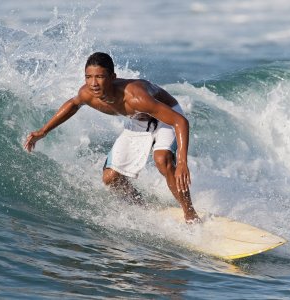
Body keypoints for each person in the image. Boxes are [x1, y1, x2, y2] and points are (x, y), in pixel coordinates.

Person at [24, 52, 200, 223]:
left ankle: (190, 214)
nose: (93, 83)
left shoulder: (135, 97)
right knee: (111, 178)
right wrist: (43, 131)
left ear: (113, 77)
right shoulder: (87, 94)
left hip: (167, 115)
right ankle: (144, 207)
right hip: (138, 118)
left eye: (100, 77)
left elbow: (180, 122)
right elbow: (73, 104)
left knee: (162, 160)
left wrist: (182, 162)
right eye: (88, 77)